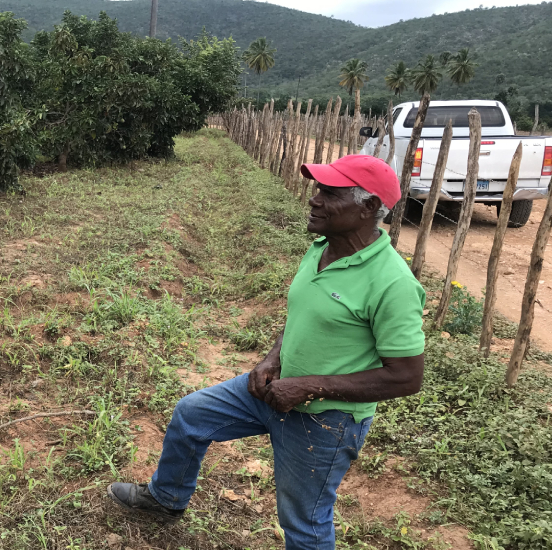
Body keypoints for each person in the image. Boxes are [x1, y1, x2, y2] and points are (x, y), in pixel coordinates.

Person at [106, 155, 427, 549]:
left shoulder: (392, 283)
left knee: (304, 523)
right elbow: (301, 315)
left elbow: (406, 376)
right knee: (191, 415)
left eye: (329, 192)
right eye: (317, 189)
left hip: (324, 421)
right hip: (273, 391)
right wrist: (273, 358)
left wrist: (309, 387)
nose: (314, 199)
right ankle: (166, 498)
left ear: (369, 207)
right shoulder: (322, 247)